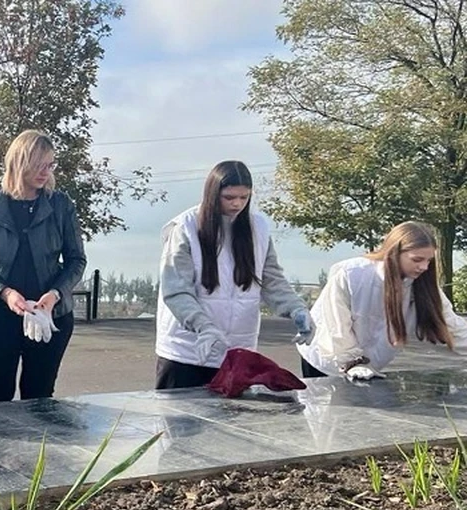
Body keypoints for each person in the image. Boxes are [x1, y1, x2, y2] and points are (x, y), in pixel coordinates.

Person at [155, 160, 312, 389]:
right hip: (187, 351)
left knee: (231, 421)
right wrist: (203, 326)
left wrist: (296, 308)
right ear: (212, 193)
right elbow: (176, 290)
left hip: (236, 351)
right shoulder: (186, 228)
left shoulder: (258, 227)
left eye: (244, 197)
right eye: (229, 197)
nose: (237, 204)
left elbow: (271, 279)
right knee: (182, 422)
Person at [0, 129, 87, 402]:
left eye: (49, 164)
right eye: (38, 164)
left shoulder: (62, 205)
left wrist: (55, 295)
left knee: (40, 399)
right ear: (18, 161)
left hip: (49, 316)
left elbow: (77, 260)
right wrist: (6, 293)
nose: (45, 172)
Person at [298, 221, 467, 380]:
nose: (424, 267)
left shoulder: (422, 288)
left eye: (428, 260)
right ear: (394, 252)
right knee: (330, 409)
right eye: (417, 259)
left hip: (369, 367)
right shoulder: (352, 274)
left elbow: (453, 327)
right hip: (324, 359)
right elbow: (336, 324)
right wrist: (351, 362)